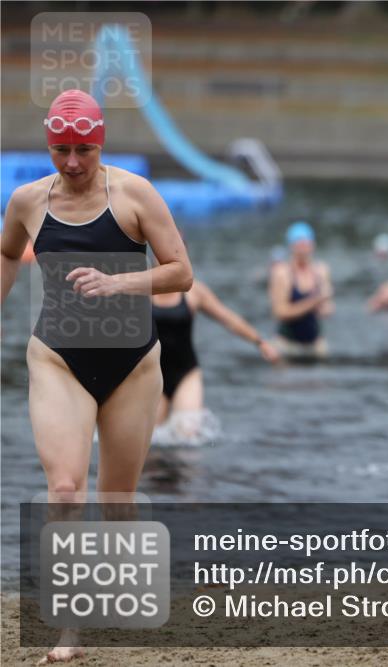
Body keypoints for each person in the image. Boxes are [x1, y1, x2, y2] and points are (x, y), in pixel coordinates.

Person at [0, 89, 192, 663]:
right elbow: (9, 255)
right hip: (58, 356)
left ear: (100, 141)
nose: (73, 161)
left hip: (132, 364)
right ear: (49, 145)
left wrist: (120, 282)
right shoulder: (27, 201)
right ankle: (70, 630)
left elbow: (181, 272)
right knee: (64, 489)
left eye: (84, 148)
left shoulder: (135, 194)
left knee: (117, 502)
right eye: (61, 150)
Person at [153, 280, 279, 431]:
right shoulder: (142, 289)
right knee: (150, 440)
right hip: (152, 375)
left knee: (187, 434)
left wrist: (259, 341)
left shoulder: (194, 291)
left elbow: (227, 318)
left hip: (186, 374)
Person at [268, 221, 333, 359]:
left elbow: (328, 309)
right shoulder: (282, 273)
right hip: (287, 344)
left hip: (315, 344)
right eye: (300, 244)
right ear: (292, 246)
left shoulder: (321, 271)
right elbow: (280, 312)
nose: (304, 248)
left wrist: (324, 307)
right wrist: (313, 302)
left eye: (307, 243)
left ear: (313, 244)